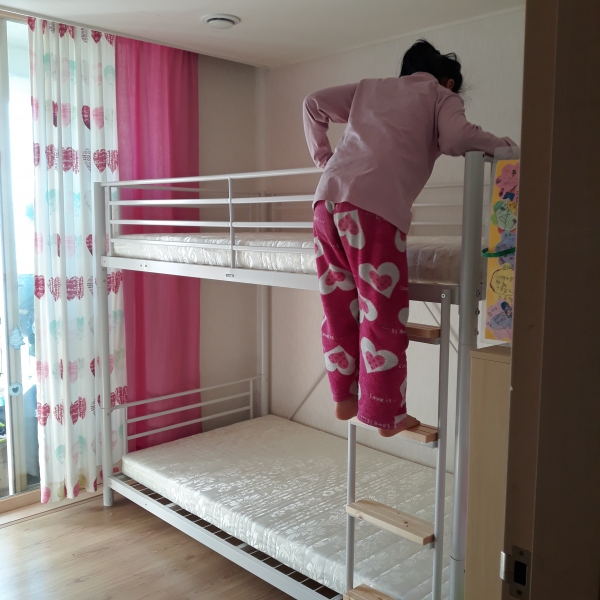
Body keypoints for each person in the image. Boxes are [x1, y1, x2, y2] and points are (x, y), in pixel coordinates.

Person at [304, 39, 515, 437]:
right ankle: (386, 415)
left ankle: (344, 397)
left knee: (338, 305)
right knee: (381, 314)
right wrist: (502, 146)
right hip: (373, 210)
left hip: (325, 202)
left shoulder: (371, 88)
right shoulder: (440, 94)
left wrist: (324, 160)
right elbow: (456, 139)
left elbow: (313, 103)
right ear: (448, 81)